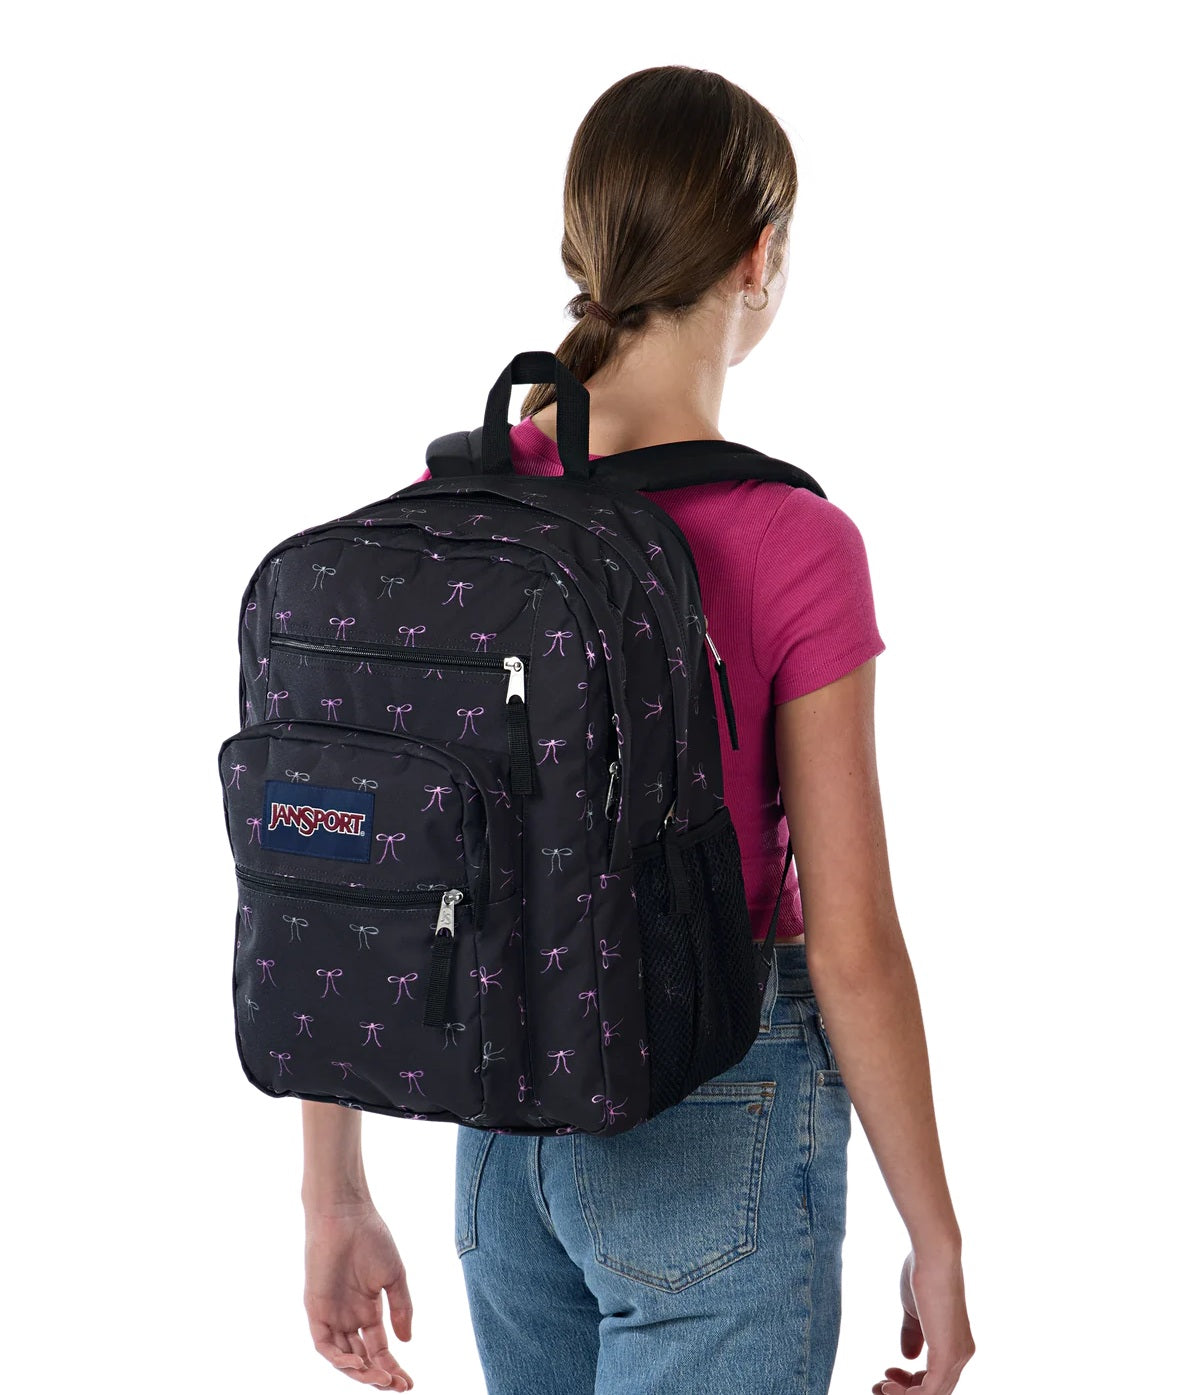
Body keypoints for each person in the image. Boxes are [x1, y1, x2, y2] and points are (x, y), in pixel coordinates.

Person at [298, 65, 974, 1395]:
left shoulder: (451, 507)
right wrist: (937, 1236)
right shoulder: (794, 543)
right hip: (717, 1108)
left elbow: (361, 873)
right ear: (760, 254)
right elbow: (852, 944)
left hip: (502, 1132)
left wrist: (333, 1193)